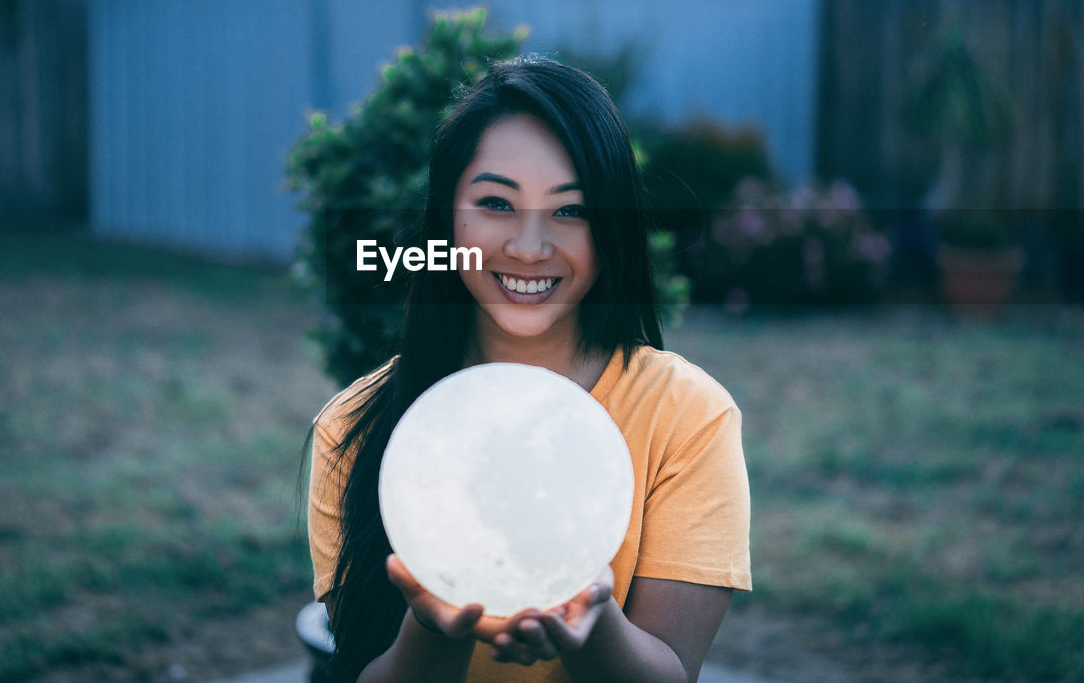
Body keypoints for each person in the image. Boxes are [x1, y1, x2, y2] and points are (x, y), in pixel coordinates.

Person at [306, 55, 751, 683]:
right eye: (496, 202)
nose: (530, 247)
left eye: (571, 210)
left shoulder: (688, 417)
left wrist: (592, 625)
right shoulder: (356, 426)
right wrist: (432, 627)